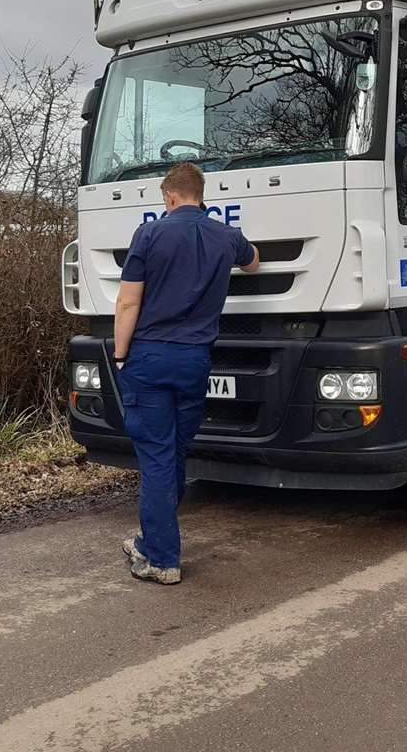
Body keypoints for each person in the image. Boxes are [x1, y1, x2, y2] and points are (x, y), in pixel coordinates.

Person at [113, 162, 260, 584]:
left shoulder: (150, 234)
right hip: (195, 359)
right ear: (201, 195)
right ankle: (150, 539)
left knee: (157, 456)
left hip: (151, 357)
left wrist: (121, 355)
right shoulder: (224, 236)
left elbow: (127, 304)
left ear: (171, 197)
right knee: (174, 450)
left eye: (165, 199)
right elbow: (254, 263)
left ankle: (160, 557)